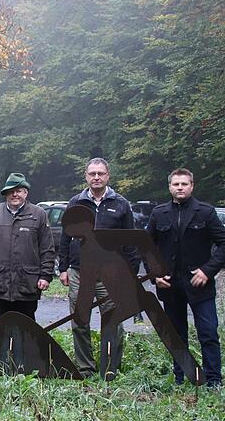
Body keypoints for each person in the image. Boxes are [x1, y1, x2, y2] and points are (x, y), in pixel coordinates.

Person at [58, 157, 139, 379]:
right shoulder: (75, 202)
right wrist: (63, 268)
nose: (96, 177)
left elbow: (130, 241)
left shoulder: (121, 204)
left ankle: (110, 369)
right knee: (79, 322)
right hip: (79, 271)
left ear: (108, 176)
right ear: (86, 177)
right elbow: (66, 237)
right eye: (92, 174)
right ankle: (85, 368)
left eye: (100, 173)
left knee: (113, 322)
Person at [146, 168, 225, 387]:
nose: (180, 187)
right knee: (177, 334)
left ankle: (214, 380)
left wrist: (207, 270)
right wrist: (155, 276)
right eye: (176, 184)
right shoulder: (159, 213)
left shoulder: (206, 213)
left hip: (199, 284)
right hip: (170, 284)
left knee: (208, 333)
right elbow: (147, 248)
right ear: (169, 187)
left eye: (184, 184)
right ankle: (181, 377)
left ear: (192, 186)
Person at [0, 173, 55, 320]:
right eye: (11, 191)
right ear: (6, 194)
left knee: (28, 324)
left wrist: (45, 275)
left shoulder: (39, 214)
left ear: (26, 193)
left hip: (29, 282)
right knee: (4, 323)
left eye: (18, 191)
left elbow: (47, 248)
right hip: (0, 281)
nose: (15, 194)